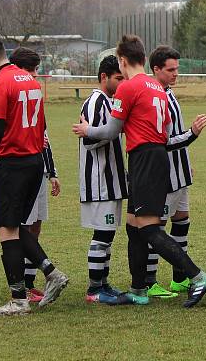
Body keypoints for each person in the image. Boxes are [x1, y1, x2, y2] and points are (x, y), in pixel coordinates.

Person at [73, 34, 206, 308]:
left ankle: (198, 276)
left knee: (149, 229)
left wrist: (86, 130)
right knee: (133, 226)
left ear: (123, 61)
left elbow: (112, 130)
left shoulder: (129, 87)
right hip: (152, 156)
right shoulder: (157, 88)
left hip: (146, 159)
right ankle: (138, 288)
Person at [0, 34, 69, 316]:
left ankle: (18, 300)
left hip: (12, 163)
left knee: (7, 230)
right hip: (34, 161)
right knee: (17, 227)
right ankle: (51, 273)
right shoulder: (31, 80)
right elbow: (41, 126)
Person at [144, 46, 206, 298]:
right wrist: (192, 134)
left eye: (177, 69)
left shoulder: (168, 93)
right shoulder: (154, 96)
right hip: (165, 175)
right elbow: (164, 141)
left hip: (180, 171)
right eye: (170, 70)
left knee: (182, 220)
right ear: (156, 69)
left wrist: (185, 159)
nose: (175, 74)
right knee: (155, 227)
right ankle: (150, 281)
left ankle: (179, 278)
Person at [7, 47, 62, 302]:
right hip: (24, 169)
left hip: (39, 170)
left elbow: (44, 136)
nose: (35, 76)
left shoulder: (35, 95)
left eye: (37, 70)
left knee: (36, 226)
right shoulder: (14, 96)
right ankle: (23, 285)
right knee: (24, 228)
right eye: (31, 70)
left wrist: (52, 172)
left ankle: (29, 283)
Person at [76, 54, 128, 303]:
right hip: (99, 180)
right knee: (102, 234)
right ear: (103, 77)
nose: (122, 82)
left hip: (112, 180)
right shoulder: (96, 102)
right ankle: (94, 288)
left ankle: (103, 283)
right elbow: (89, 140)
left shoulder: (111, 101)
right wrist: (115, 130)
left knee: (108, 234)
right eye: (118, 78)